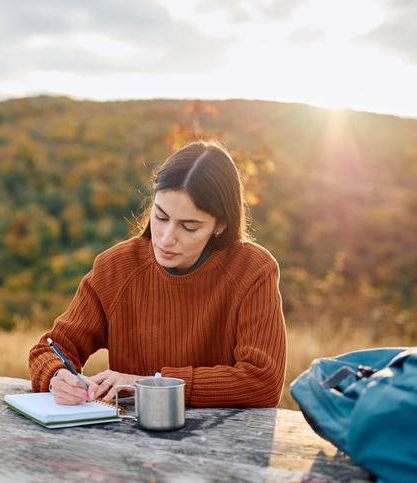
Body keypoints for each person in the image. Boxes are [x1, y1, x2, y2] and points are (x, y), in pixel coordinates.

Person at [28, 141, 287, 408]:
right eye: (161, 216)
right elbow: (50, 348)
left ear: (220, 224)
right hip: (127, 437)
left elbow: (263, 382)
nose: (165, 238)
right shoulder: (115, 268)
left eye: (189, 227)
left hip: (222, 441)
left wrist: (150, 384)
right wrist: (57, 376)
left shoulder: (253, 270)